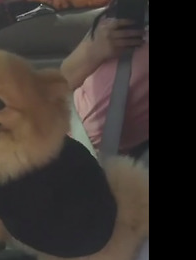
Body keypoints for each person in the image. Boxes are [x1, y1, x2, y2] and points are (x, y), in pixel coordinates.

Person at [61, 5, 149, 156]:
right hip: (53, 126)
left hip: (99, 159)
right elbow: (63, 79)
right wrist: (95, 52)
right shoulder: (119, 17)